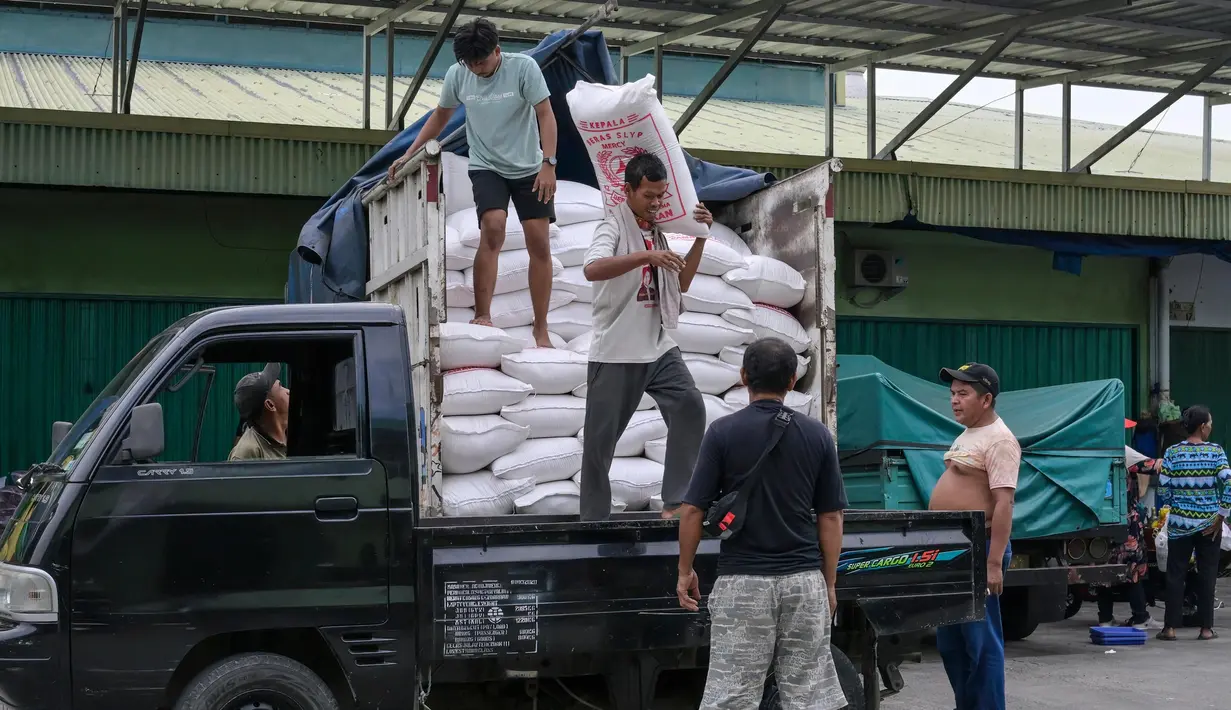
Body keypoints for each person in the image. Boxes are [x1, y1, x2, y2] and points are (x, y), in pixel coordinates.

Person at [676, 337, 848, 710]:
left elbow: (692, 511)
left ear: (742, 377)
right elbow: (831, 516)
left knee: (732, 697)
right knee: (809, 696)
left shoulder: (722, 433)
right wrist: (829, 584)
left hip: (743, 584)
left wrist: (684, 571)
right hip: (803, 581)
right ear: (791, 381)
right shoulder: (818, 435)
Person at [387, 18, 559, 348]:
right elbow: (440, 116)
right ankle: (483, 313)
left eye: (481, 62)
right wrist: (408, 155)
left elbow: (545, 114)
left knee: (539, 242)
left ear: (497, 50)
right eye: (469, 63)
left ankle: (541, 326)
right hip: (486, 166)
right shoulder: (459, 75)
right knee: (492, 226)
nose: (476, 69)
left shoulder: (523, 69)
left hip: (528, 167)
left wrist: (548, 163)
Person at [578, 153, 709, 521]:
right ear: (628, 191)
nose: (655, 203)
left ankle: (676, 502)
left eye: (660, 196)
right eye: (648, 195)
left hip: (659, 347)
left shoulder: (658, 231)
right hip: (618, 351)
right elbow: (592, 269)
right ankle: (593, 521)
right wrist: (645, 257)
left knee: (690, 406)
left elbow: (679, 285)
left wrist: (699, 238)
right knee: (600, 445)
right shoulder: (613, 226)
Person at [932, 362, 1020, 710]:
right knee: (952, 643)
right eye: (952, 393)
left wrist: (994, 562)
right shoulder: (968, 434)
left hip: (978, 548)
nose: (954, 400)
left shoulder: (1000, 440)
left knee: (981, 645)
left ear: (986, 399)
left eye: (963, 394)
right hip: (954, 546)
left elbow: (1004, 503)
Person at [1156, 405, 1229, 641]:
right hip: (1210, 525)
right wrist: (1220, 515)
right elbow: (1228, 484)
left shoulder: (1172, 453)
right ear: (1202, 426)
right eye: (1209, 424)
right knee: (1207, 575)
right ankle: (1206, 629)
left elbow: (1163, 488)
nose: (1211, 428)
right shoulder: (1215, 451)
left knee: (1175, 574)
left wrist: (1175, 507)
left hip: (1179, 525)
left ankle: (1170, 628)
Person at [1093, 419, 1161, 629]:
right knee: (1133, 568)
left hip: (1099, 518)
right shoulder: (1123, 451)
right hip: (1125, 519)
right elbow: (1152, 466)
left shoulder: (1091, 451)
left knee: (1102, 569)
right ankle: (1140, 617)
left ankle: (1105, 619)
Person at [228, 363, 290, 461]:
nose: (288, 391)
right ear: (270, 405)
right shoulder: (247, 452)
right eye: (280, 387)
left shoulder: (295, 434)